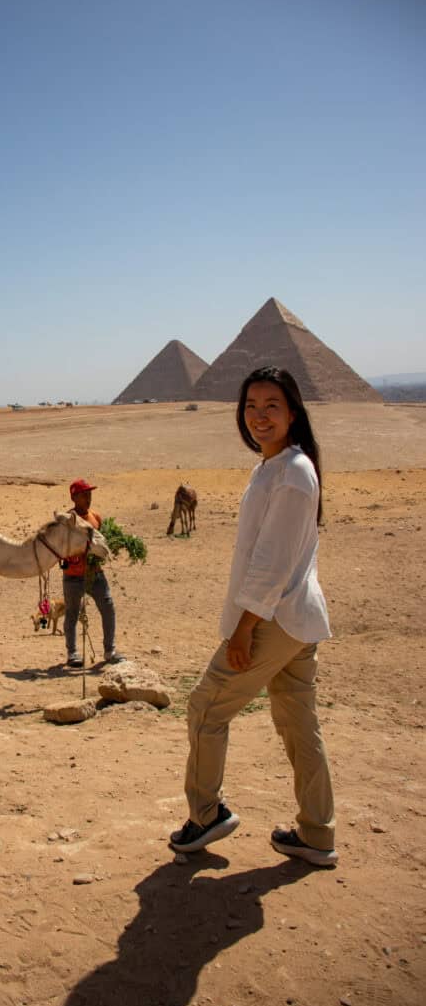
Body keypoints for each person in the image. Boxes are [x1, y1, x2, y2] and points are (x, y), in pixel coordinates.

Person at [170, 367, 337, 867]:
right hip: (296, 617)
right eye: (250, 406)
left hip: (273, 619)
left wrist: (243, 630)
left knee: (205, 707)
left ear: (293, 413)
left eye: (272, 406)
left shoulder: (293, 472)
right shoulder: (274, 467)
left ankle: (206, 814)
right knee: (298, 724)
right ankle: (317, 834)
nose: (259, 416)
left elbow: (271, 562)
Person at [62, 478, 125, 669]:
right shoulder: (67, 520)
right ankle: (73, 654)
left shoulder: (96, 517)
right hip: (73, 575)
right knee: (72, 613)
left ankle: (110, 650)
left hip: (95, 574)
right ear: (74, 497)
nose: (88, 498)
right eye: (84, 495)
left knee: (108, 606)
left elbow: (103, 542)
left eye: (89, 494)